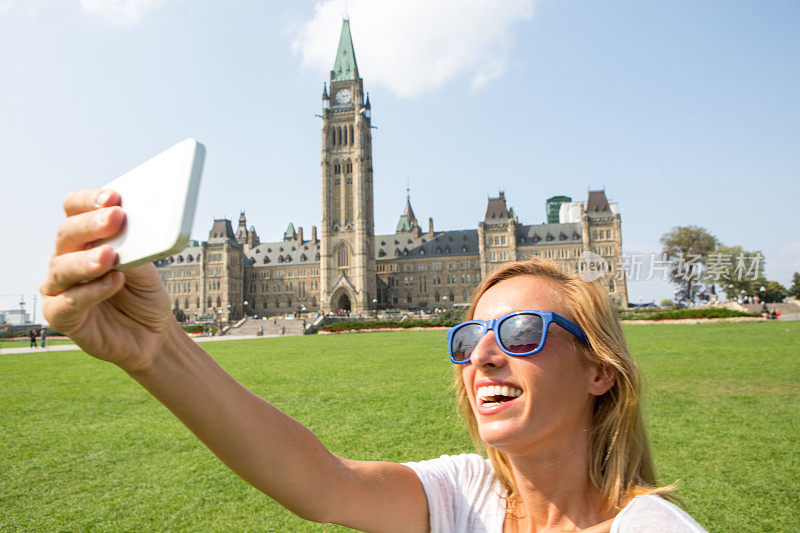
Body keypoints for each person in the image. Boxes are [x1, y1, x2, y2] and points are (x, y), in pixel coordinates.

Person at [40, 188, 706, 532]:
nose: (486, 355)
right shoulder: (465, 497)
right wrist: (156, 348)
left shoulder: (645, 526)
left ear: (600, 370)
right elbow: (317, 479)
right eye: (468, 338)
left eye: (523, 329)